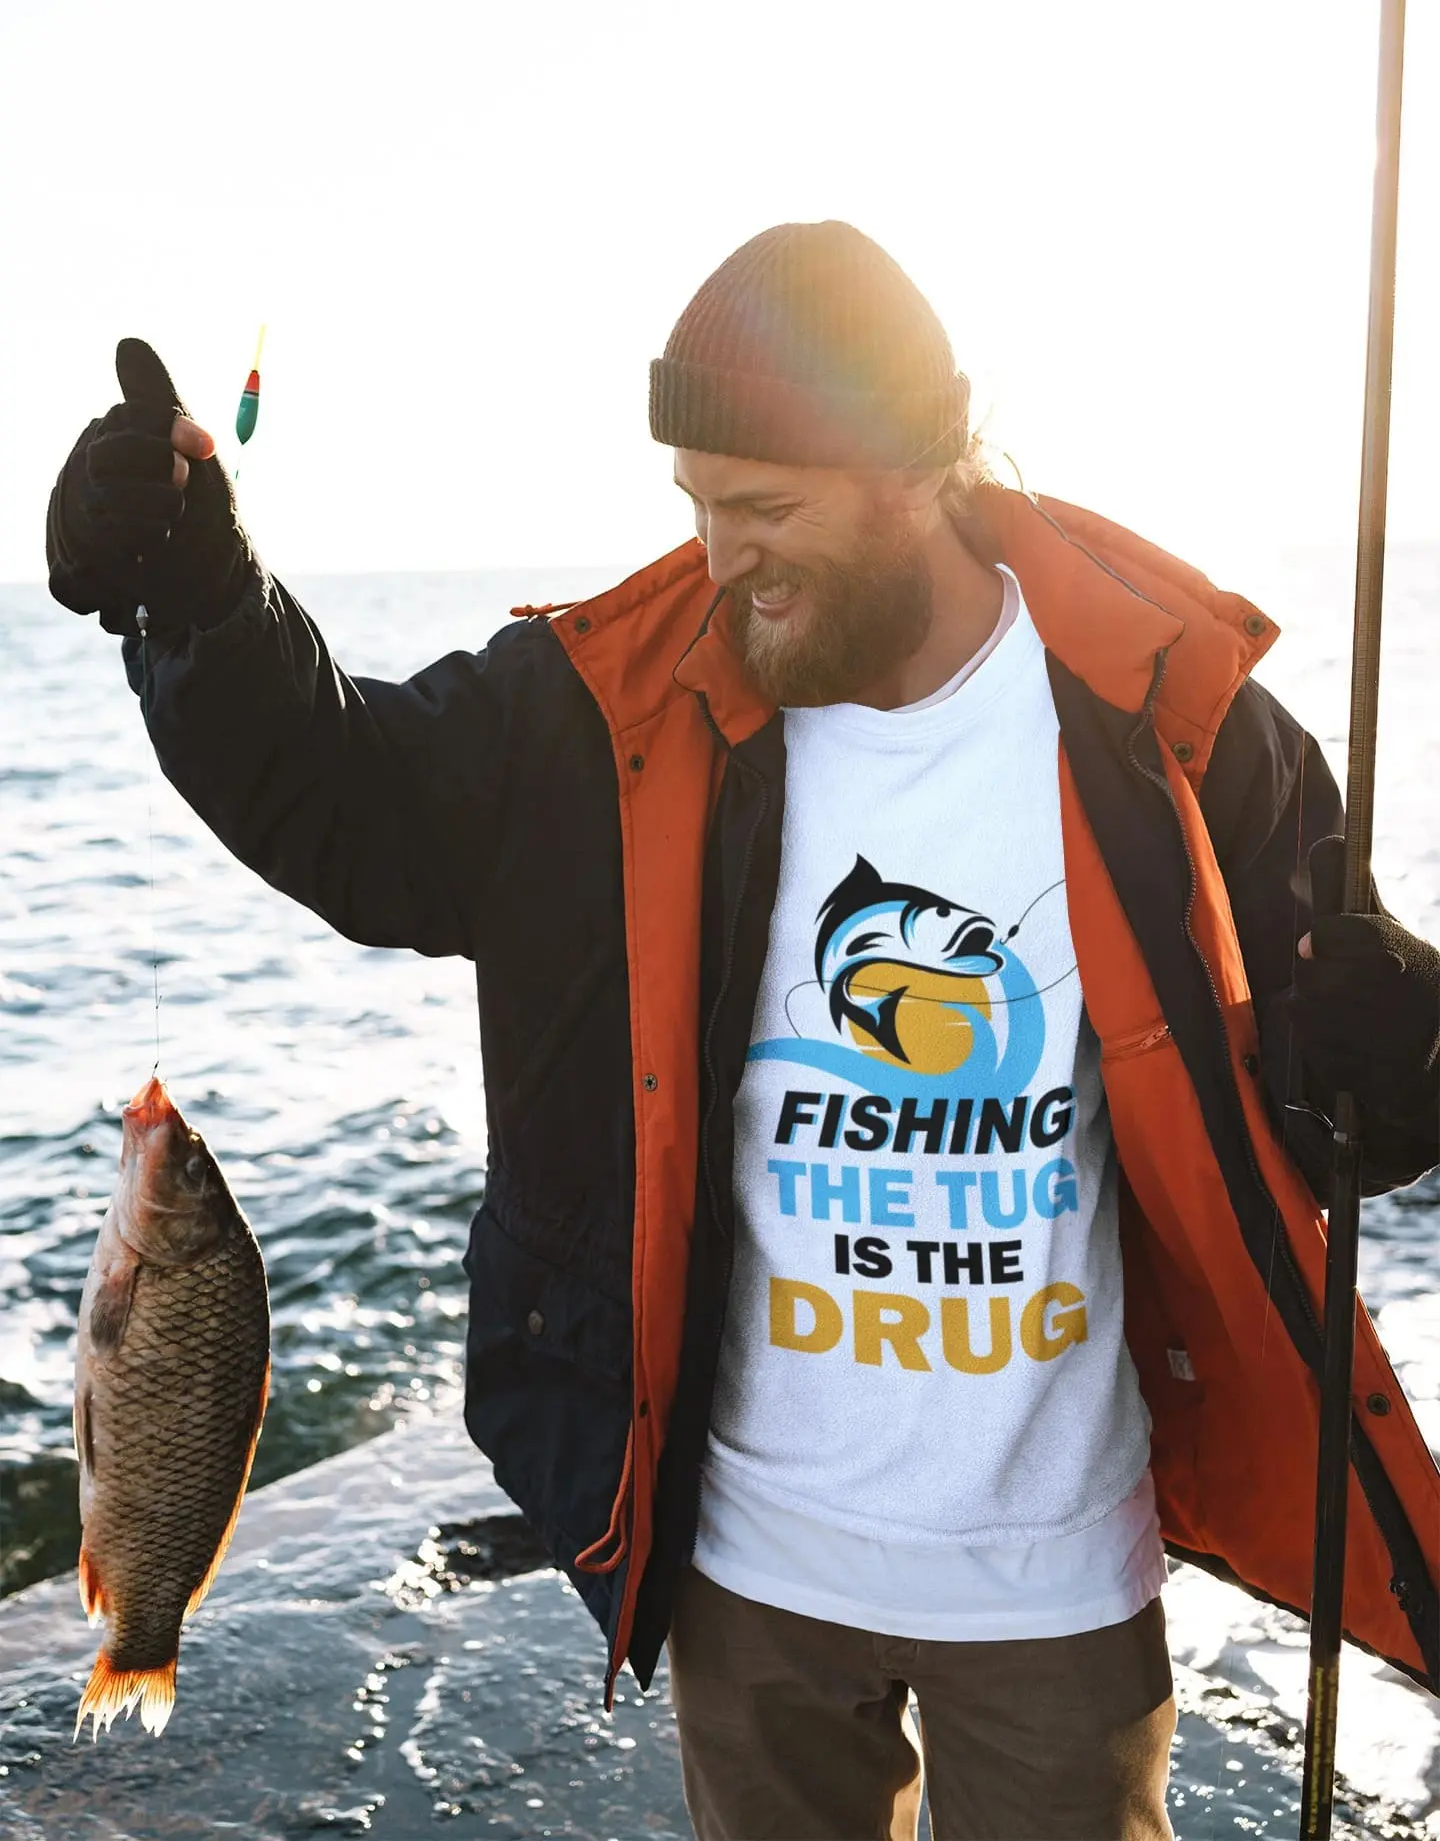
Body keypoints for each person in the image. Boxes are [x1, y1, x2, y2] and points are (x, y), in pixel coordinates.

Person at [47, 221, 1440, 1841]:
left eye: (763, 511)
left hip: (1058, 1576)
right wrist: (204, 604)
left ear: (919, 466)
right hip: (746, 1574)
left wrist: (1407, 1058)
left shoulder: (1170, 712)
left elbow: (1328, 1094)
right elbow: (353, 799)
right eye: (698, 507)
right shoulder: (612, 703)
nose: (722, 557)